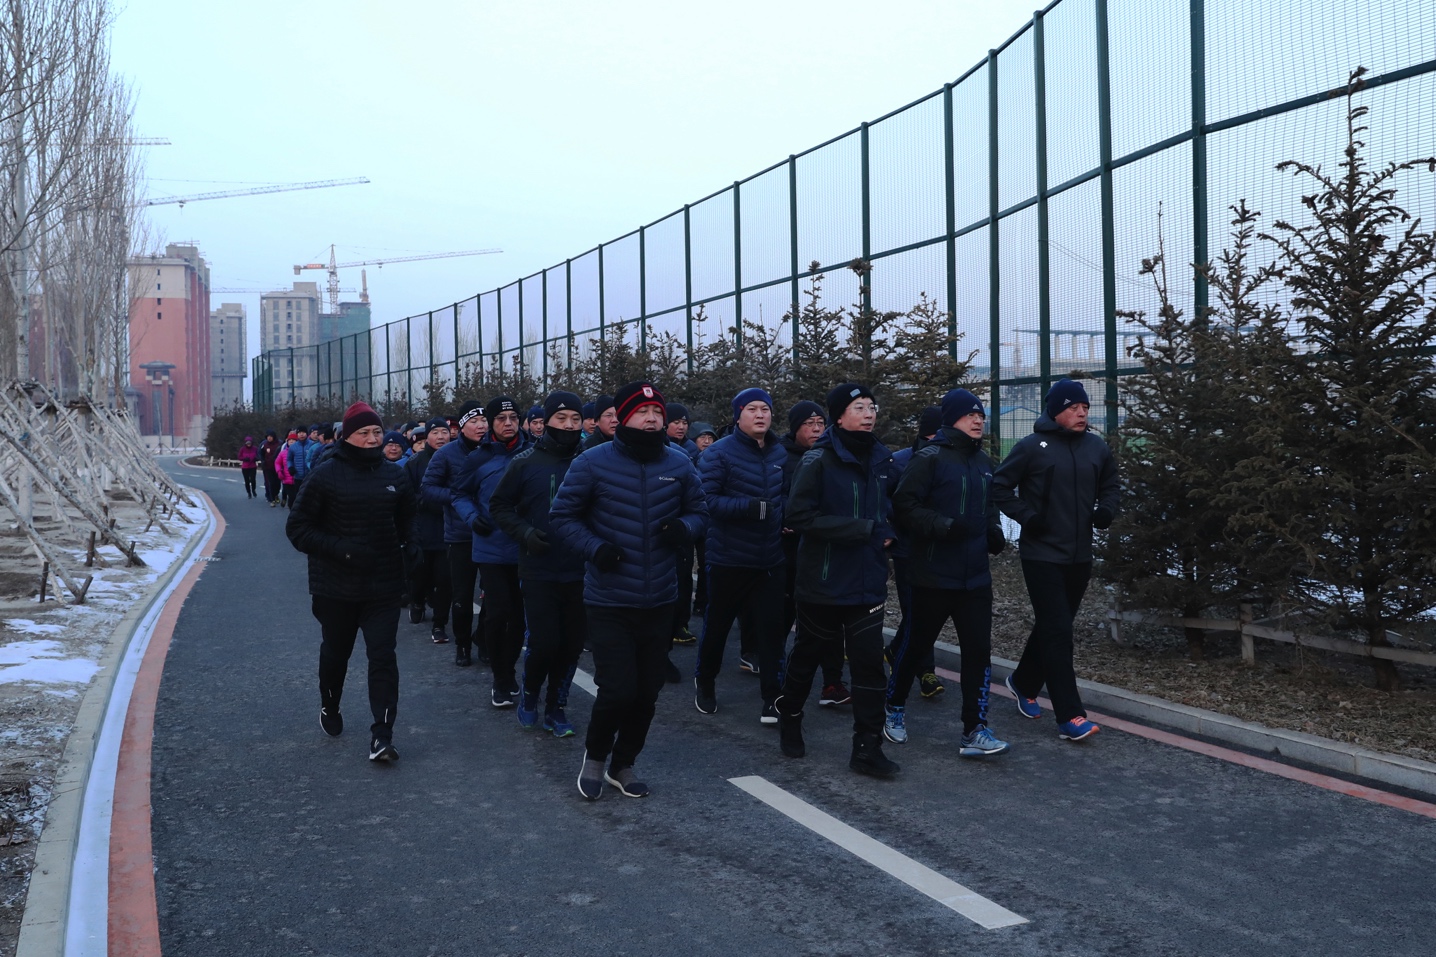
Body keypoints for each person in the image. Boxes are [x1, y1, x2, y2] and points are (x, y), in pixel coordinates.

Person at [551, 381, 707, 800]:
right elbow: (562, 516)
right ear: (622, 417)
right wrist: (596, 548)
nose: (652, 418)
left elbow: (700, 511)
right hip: (609, 598)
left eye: (657, 412)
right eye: (642, 412)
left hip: (660, 596)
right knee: (618, 689)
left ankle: (624, 763)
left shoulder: (679, 463)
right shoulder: (592, 462)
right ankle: (595, 757)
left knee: (647, 690)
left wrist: (684, 528)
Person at [775, 383, 899, 778]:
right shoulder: (818, 460)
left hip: (867, 581)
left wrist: (890, 532)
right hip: (824, 580)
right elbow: (798, 516)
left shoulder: (882, 458)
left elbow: (893, 507)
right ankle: (790, 715)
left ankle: (867, 748)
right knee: (807, 655)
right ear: (839, 417)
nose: (868, 413)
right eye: (858, 407)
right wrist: (860, 530)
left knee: (869, 667)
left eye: (871, 406)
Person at [286, 401, 417, 763]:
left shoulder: (394, 475)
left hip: (383, 585)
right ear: (347, 436)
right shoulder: (325, 475)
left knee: (383, 656)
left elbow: (410, 518)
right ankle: (330, 704)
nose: (373, 439)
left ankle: (382, 735)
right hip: (335, 587)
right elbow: (297, 529)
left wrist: (412, 548)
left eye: (377, 431)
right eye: (364, 433)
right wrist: (343, 551)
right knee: (336, 653)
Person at [991, 378, 1119, 742]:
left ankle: (1023, 682)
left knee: (1054, 626)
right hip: (1041, 554)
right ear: (1055, 411)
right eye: (1073, 407)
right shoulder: (1032, 447)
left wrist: (1106, 510)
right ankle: (1070, 716)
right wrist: (1028, 518)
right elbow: (999, 486)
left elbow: (1111, 485)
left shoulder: (1096, 447)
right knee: (1059, 631)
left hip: (1079, 555)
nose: (1081, 413)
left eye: (1085, 408)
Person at [887, 389, 1008, 755]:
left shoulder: (984, 462)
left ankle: (974, 729)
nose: (978, 420)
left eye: (981, 416)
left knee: (978, 652)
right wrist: (942, 525)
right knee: (916, 646)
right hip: (933, 575)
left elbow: (988, 504)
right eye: (971, 415)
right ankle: (893, 707)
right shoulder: (929, 458)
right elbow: (904, 505)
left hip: (975, 578)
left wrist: (994, 530)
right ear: (952, 419)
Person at [491, 391, 587, 737]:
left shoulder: (589, 460)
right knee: (545, 642)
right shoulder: (525, 462)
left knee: (572, 644)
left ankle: (556, 708)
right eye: (562, 418)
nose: (569, 425)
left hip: (582, 568)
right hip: (539, 567)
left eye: (575, 419)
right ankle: (530, 692)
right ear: (546, 422)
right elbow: (499, 506)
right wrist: (526, 533)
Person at [693, 388, 788, 724]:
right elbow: (705, 500)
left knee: (771, 631)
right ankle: (705, 681)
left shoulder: (779, 452)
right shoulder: (718, 453)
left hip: (770, 558)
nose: (760, 415)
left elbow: (785, 495)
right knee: (717, 627)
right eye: (752, 409)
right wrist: (749, 507)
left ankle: (773, 697)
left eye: (765, 409)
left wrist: (787, 517)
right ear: (738, 416)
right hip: (728, 557)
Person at [453, 396, 533, 707]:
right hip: (492, 547)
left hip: (529, 546)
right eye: (501, 418)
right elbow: (459, 494)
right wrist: (473, 518)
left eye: (513, 417)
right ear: (490, 423)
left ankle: (510, 670)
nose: (508, 423)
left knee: (521, 618)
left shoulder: (534, 452)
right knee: (499, 614)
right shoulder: (478, 458)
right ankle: (501, 678)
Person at [779, 401, 850, 707]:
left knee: (830, 621)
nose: (817, 429)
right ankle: (779, 681)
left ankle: (832, 683)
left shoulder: (832, 456)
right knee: (785, 619)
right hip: (787, 552)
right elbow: (772, 495)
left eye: (821, 423)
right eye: (809, 424)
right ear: (795, 427)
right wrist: (785, 518)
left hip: (824, 550)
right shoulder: (780, 457)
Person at [421, 399, 487, 666]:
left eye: (484, 420)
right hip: (460, 535)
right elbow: (428, 488)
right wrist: (459, 497)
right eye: (474, 421)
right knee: (461, 596)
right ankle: (462, 644)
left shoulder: (495, 450)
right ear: (461, 426)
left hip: (494, 534)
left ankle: (484, 639)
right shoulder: (446, 455)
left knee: (495, 596)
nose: (481, 426)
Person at [885, 405, 944, 699]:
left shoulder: (955, 459)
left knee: (927, 611)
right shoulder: (900, 462)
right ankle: (925, 671)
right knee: (917, 611)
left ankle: (896, 649)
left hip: (941, 549)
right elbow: (886, 503)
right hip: (908, 549)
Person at [403, 417, 452, 642]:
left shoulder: (458, 458)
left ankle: (439, 624)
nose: (441, 437)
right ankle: (417, 601)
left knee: (444, 579)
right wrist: (429, 501)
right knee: (419, 574)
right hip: (422, 529)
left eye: (444, 432)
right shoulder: (415, 462)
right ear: (427, 436)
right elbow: (406, 496)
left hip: (449, 531)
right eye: (435, 432)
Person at [259, 431, 283, 506]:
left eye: (270, 436)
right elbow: (261, 454)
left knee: (277, 483)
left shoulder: (279, 444)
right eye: (268, 436)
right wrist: (263, 461)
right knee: (270, 483)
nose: (269, 438)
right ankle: (272, 498)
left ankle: (276, 495)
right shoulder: (264, 445)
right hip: (268, 467)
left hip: (277, 467)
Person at [276, 433, 298, 508]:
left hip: (298, 478)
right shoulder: (283, 453)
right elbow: (277, 463)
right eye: (290, 440)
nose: (291, 441)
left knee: (297, 498)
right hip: (287, 479)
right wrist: (279, 471)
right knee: (292, 498)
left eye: (293, 440)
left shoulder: (300, 452)